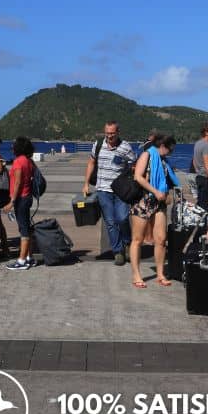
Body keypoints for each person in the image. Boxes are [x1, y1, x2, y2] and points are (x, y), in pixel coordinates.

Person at [81, 121, 137, 265]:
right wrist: (86, 183)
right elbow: (91, 163)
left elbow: (134, 164)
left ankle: (127, 242)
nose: (109, 136)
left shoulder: (125, 147)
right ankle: (118, 251)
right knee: (110, 222)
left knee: (123, 218)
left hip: (121, 191)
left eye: (112, 133)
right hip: (103, 190)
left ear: (118, 132)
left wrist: (131, 180)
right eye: (107, 133)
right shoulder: (98, 145)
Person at [129, 134, 178, 289]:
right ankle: (136, 275)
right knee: (138, 239)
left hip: (159, 203)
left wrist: (165, 194)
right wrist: (156, 191)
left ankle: (160, 273)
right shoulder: (147, 154)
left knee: (161, 239)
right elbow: (138, 177)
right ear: (163, 145)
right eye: (171, 149)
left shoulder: (164, 161)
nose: (171, 153)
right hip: (143, 201)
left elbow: (167, 180)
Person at [3, 136, 36, 270]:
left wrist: (12, 201)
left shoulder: (18, 162)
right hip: (27, 197)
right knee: (26, 227)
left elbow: (17, 183)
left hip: (21, 198)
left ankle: (21, 261)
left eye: (14, 144)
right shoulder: (28, 161)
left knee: (23, 229)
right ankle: (29, 257)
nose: (12, 146)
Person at [191, 122, 208, 212]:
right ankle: (203, 225)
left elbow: (194, 161)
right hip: (206, 178)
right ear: (206, 132)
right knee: (205, 206)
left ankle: (199, 223)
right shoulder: (206, 146)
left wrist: (198, 171)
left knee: (200, 203)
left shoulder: (197, 143)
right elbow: (207, 165)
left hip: (199, 176)